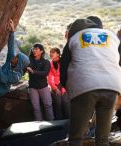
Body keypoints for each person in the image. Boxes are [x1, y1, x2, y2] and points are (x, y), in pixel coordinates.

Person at [60, 17, 121, 146]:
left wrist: (69, 88)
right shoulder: (112, 36)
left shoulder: (75, 37)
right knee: (103, 139)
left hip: (84, 86)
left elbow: (63, 67)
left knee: (76, 138)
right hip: (112, 86)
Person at [27, 43, 54, 121]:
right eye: (33, 49)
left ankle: (51, 124)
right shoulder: (29, 61)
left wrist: (33, 72)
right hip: (32, 87)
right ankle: (38, 126)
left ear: (41, 51)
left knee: (48, 105)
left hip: (43, 87)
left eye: (36, 49)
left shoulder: (46, 62)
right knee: (36, 108)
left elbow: (45, 73)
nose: (34, 50)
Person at [47, 47, 69, 120]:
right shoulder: (50, 64)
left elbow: (67, 75)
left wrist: (63, 88)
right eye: (50, 52)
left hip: (65, 84)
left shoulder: (63, 62)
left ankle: (68, 120)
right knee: (58, 103)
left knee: (65, 102)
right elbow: (49, 78)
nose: (51, 54)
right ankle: (59, 121)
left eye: (53, 52)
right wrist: (55, 88)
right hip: (55, 85)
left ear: (58, 54)